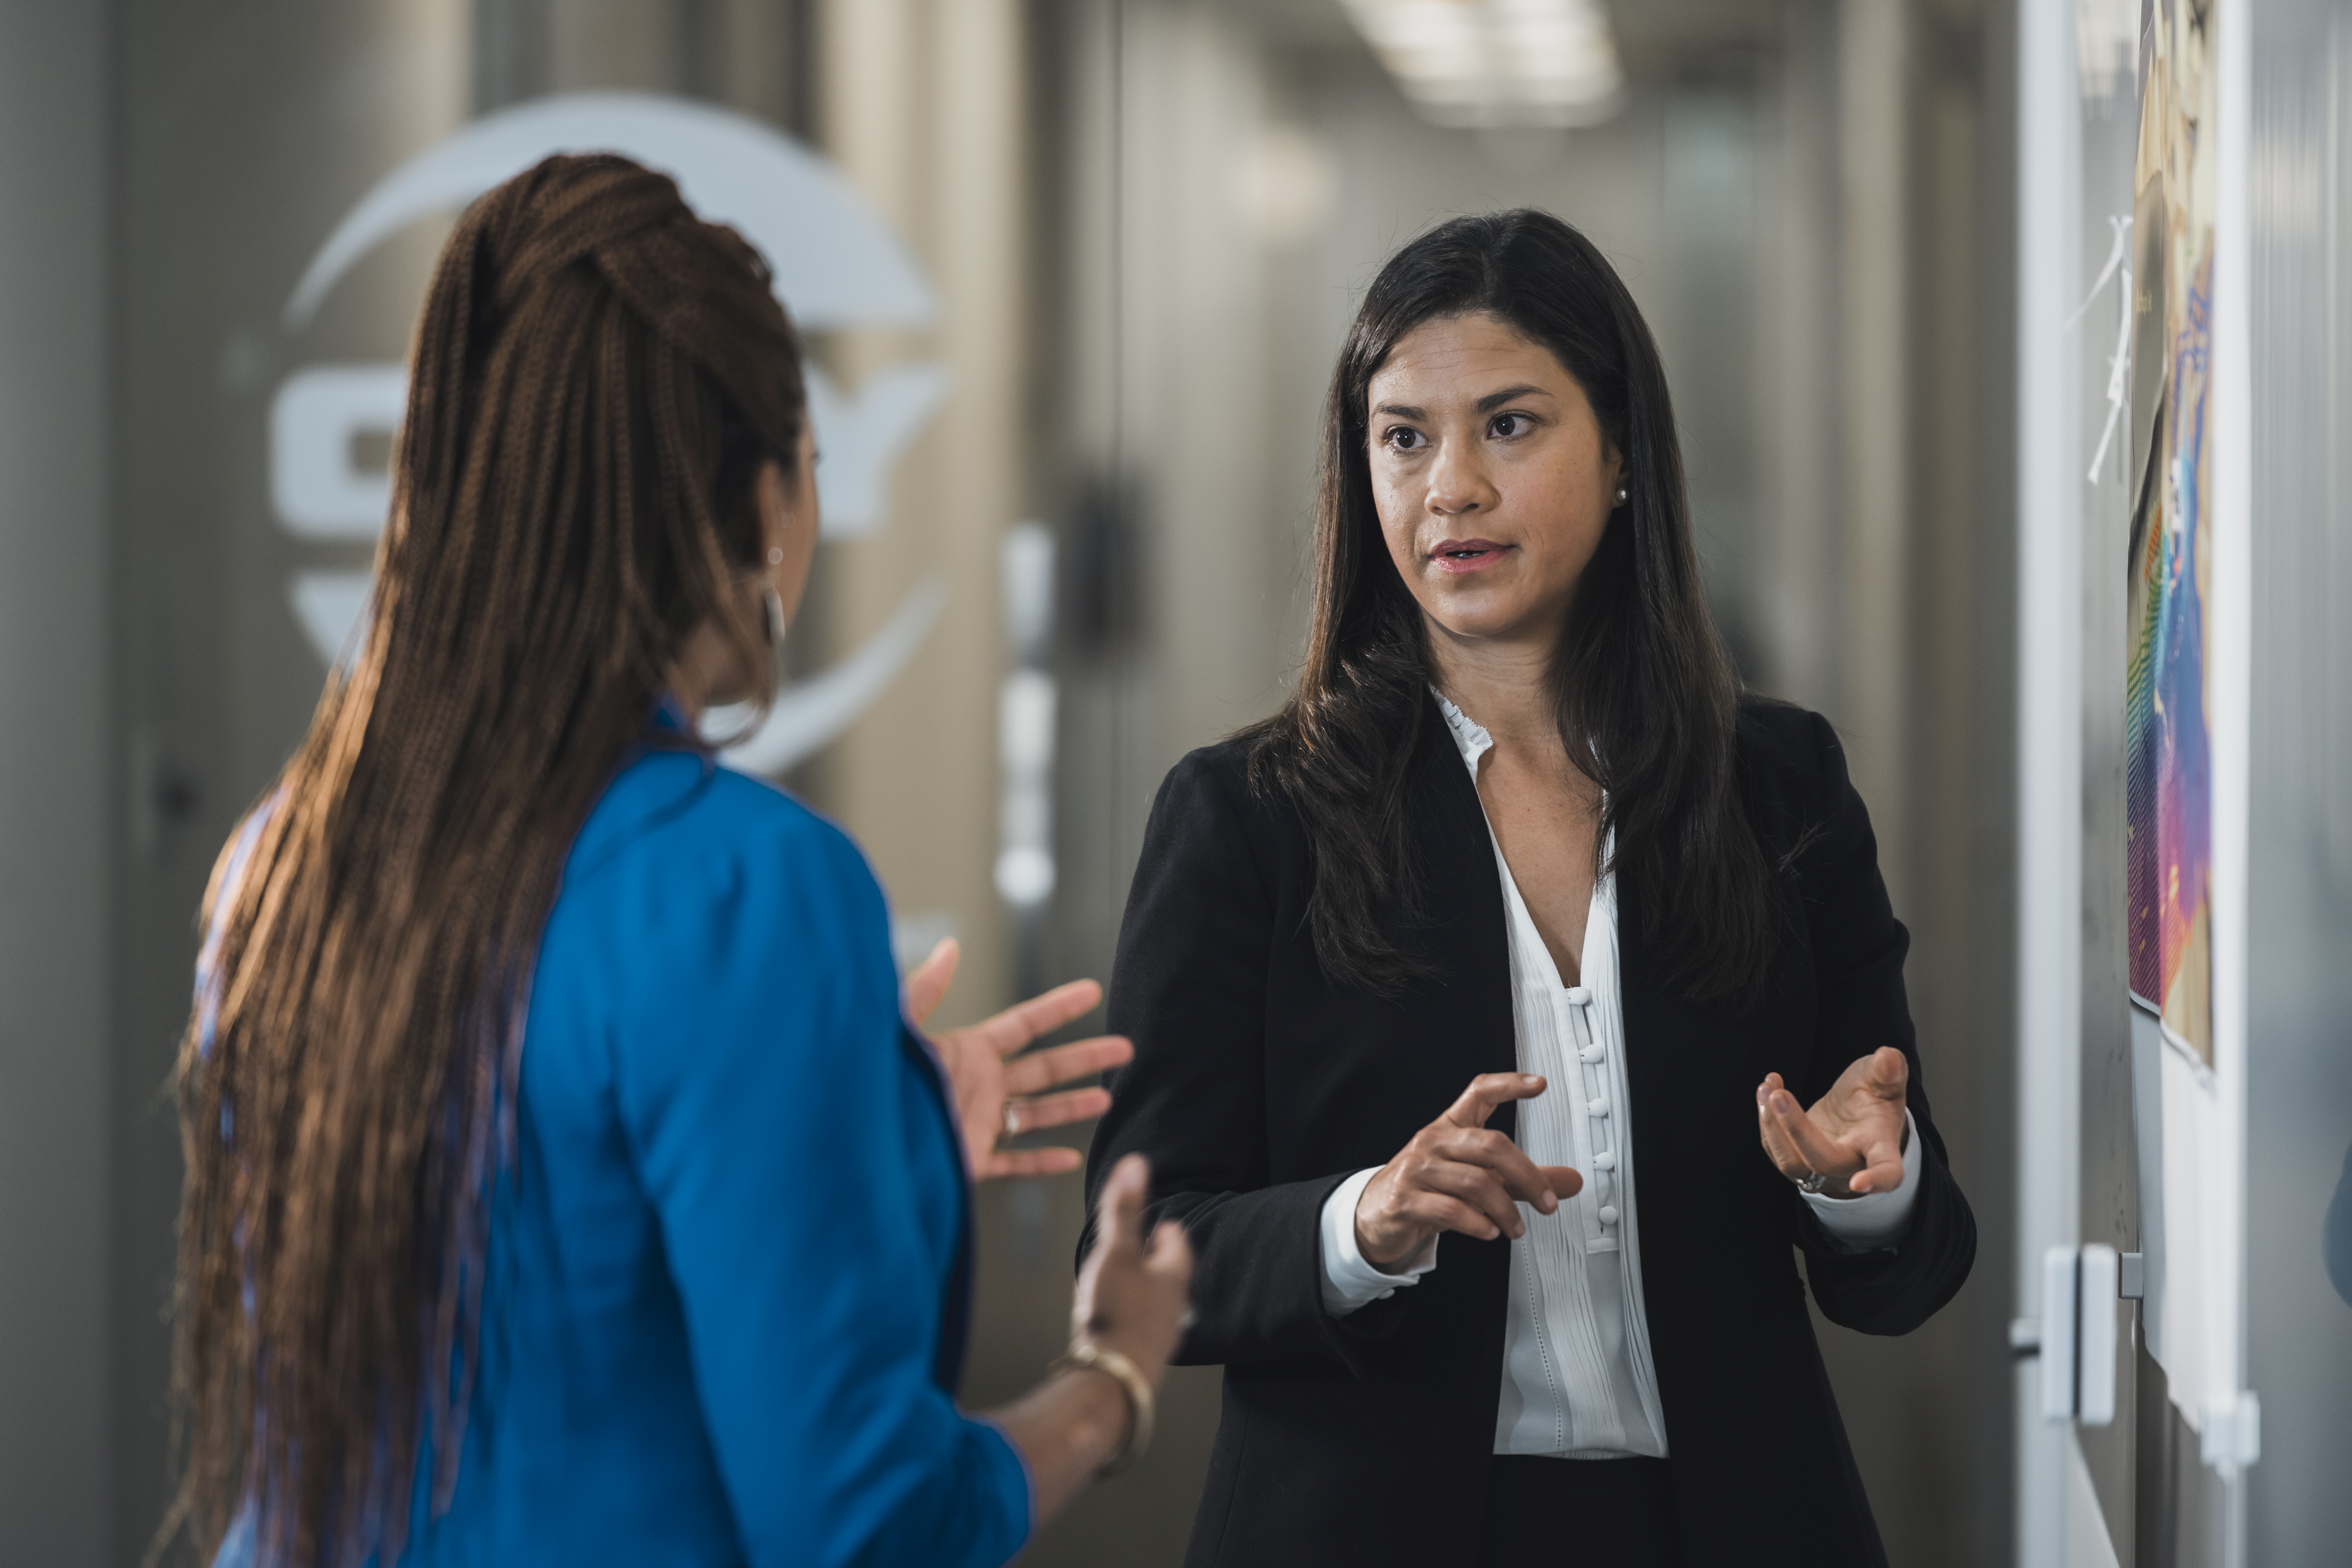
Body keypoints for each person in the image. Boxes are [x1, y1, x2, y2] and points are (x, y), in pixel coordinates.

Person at [167, 154, 1191, 1568]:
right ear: (766, 506)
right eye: (814, 468)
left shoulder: (276, 868)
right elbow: (862, 1522)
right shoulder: (741, 890)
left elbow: (532, 1254)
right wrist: (1112, 1387)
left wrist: (868, 1133)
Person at [1083, 209, 1975, 1568]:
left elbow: (1912, 1274)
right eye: (1403, 437)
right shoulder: (1248, 818)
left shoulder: (1777, 787)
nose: (1451, 488)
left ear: (1622, 455)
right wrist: (1358, 1223)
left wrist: (1870, 1188)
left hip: (1725, 1526)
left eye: (1508, 425)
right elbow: (1144, 1252)